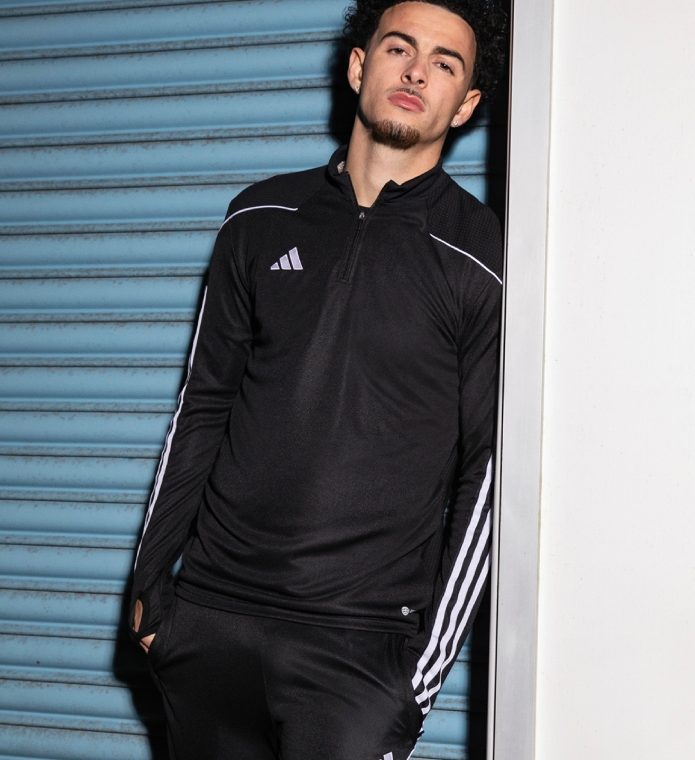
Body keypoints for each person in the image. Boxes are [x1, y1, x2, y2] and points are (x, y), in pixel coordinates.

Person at [129, 1, 507, 758]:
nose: (416, 72)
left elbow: (489, 467)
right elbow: (201, 406)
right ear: (359, 66)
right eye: (399, 49)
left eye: (443, 64)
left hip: (358, 652)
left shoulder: (484, 256)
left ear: (465, 103)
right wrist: (149, 589)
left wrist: (421, 672)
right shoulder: (259, 217)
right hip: (210, 622)